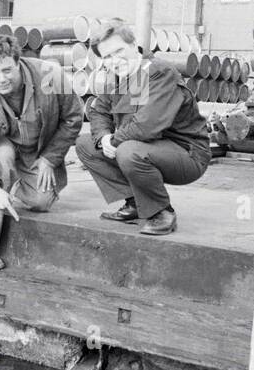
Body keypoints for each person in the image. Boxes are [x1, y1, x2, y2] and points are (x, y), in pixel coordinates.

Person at [0, 33, 84, 271]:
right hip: (1, 144)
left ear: (19, 62)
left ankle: (11, 180)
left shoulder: (51, 74)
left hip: (38, 150)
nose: (2, 79)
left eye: (7, 70)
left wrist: (51, 158)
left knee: (41, 201)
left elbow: (73, 118)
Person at [74, 20, 210, 236]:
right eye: (107, 57)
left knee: (128, 150)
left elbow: (147, 126)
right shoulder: (123, 78)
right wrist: (103, 138)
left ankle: (161, 212)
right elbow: (99, 110)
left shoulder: (158, 72)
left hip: (187, 154)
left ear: (133, 44)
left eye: (119, 51)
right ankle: (136, 203)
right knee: (85, 144)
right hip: (149, 148)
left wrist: (115, 142)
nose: (114, 60)